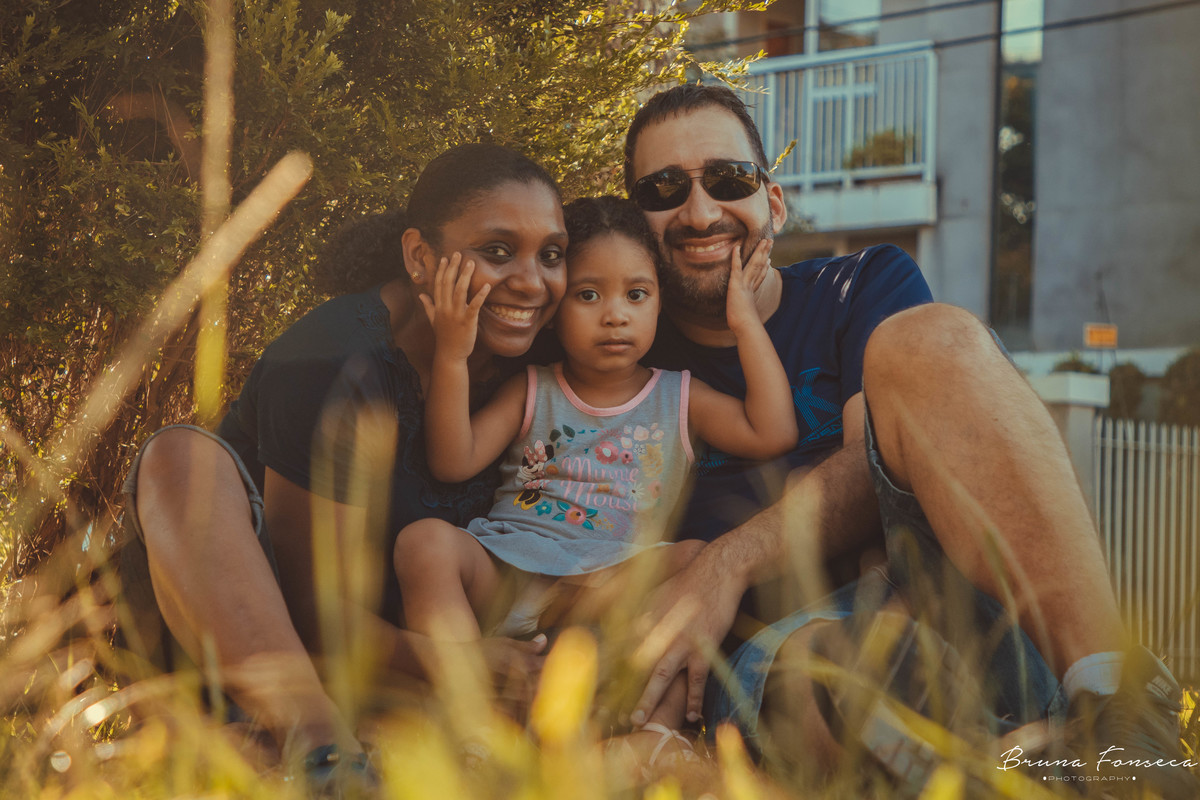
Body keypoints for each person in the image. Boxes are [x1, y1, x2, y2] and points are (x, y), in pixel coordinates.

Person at [620, 84, 1200, 798]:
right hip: (787, 661)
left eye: (728, 179)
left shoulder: (862, 284)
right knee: (843, 670)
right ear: (635, 220)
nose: (700, 210)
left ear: (772, 201)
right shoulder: (613, 366)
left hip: (953, 590)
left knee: (930, 339)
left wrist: (724, 563)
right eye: (664, 188)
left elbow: (871, 473)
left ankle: (1122, 711)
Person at [116, 143, 567, 784]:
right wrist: (456, 664)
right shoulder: (333, 360)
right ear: (420, 257)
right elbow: (314, 613)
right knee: (179, 456)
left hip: (405, 672)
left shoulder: (534, 361)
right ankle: (326, 757)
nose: (533, 281)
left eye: (551, 254)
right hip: (269, 659)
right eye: (497, 252)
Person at [392, 195, 798, 757]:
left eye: (637, 294)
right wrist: (453, 357)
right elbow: (452, 459)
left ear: (660, 303)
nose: (615, 315)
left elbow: (771, 432)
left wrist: (744, 322)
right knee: (424, 544)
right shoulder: (533, 388)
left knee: (696, 560)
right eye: (588, 295)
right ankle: (471, 720)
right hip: (513, 569)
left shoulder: (679, 397)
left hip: (615, 583)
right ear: (556, 308)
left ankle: (659, 736)